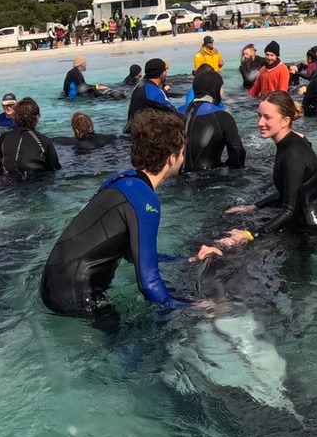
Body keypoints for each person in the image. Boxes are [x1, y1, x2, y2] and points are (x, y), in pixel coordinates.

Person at [40, 110, 229, 316]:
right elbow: (148, 284)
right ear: (172, 157)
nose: (184, 158)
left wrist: (188, 260)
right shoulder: (144, 199)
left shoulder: (122, 180)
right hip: (75, 298)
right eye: (182, 152)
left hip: (53, 286)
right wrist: (196, 309)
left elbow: (134, 254)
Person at [223, 91, 317, 237]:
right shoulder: (291, 142)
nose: (260, 122)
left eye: (267, 117)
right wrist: (253, 207)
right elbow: (288, 194)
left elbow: (289, 211)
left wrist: (250, 235)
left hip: (310, 232)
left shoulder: (293, 153)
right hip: (302, 223)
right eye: (259, 115)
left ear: (285, 121)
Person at [183, 68, 247, 170]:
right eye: (222, 88)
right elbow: (237, 153)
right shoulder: (223, 116)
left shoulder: (174, 113)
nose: (223, 91)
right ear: (215, 89)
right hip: (210, 179)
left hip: (176, 176)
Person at [0, 97, 62, 179]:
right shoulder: (45, 141)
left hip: (10, 183)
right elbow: (55, 168)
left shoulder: (4, 137)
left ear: (15, 116)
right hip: (37, 184)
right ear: (37, 117)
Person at [127, 58, 177, 124]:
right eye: (165, 71)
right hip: (142, 132)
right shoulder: (152, 91)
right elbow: (173, 112)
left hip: (133, 128)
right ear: (162, 73)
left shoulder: (140, 86)